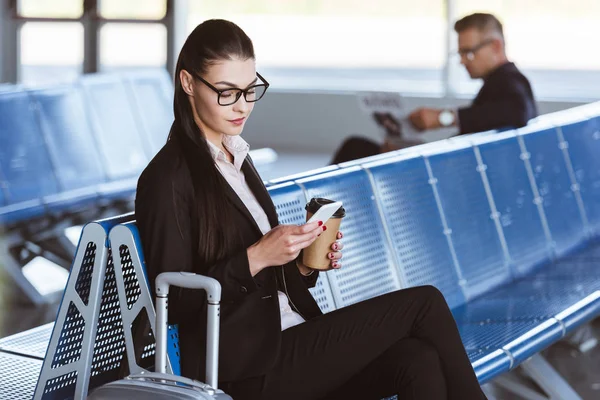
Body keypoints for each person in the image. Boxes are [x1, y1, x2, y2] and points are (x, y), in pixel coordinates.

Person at [135, 19, 488, 400]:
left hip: (287, 342)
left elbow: (260, 280)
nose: (242, 106)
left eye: (250, 90)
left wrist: (300, 264)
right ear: (188, 83)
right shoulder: (167, 178)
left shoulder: (235, 157)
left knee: (416, 359)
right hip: (245, 370)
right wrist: (256, 257)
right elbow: (174, 303)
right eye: (227, 92)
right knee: (424, 304)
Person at [331, 12, 538, 164]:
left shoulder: (510, 81)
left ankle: (313, 219)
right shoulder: (499, 83)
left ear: (496, 46)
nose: (463, 61)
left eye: (469, 52)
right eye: (460, 54)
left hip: (457, 177)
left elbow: (518, 111)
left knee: (355, 148)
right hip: (458, 167)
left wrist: (443, 118)